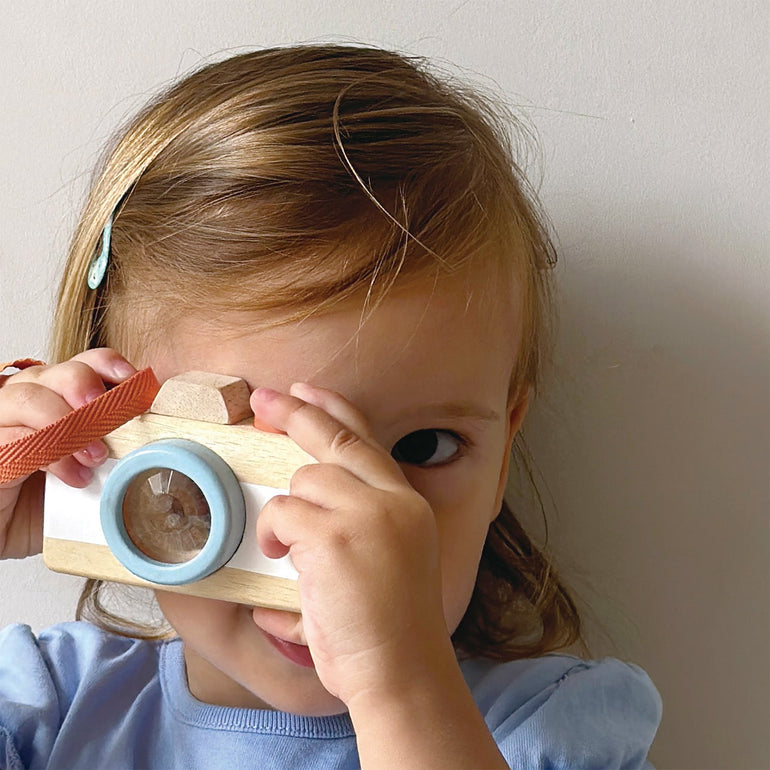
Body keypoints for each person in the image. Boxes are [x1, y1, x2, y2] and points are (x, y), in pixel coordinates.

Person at [0, 44, 661, 769]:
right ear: (118, 440)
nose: (322, 544)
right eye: (242, 455)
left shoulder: (550, 730)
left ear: (503, 453)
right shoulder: (48, 706)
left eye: (423, 448)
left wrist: (401, 686)